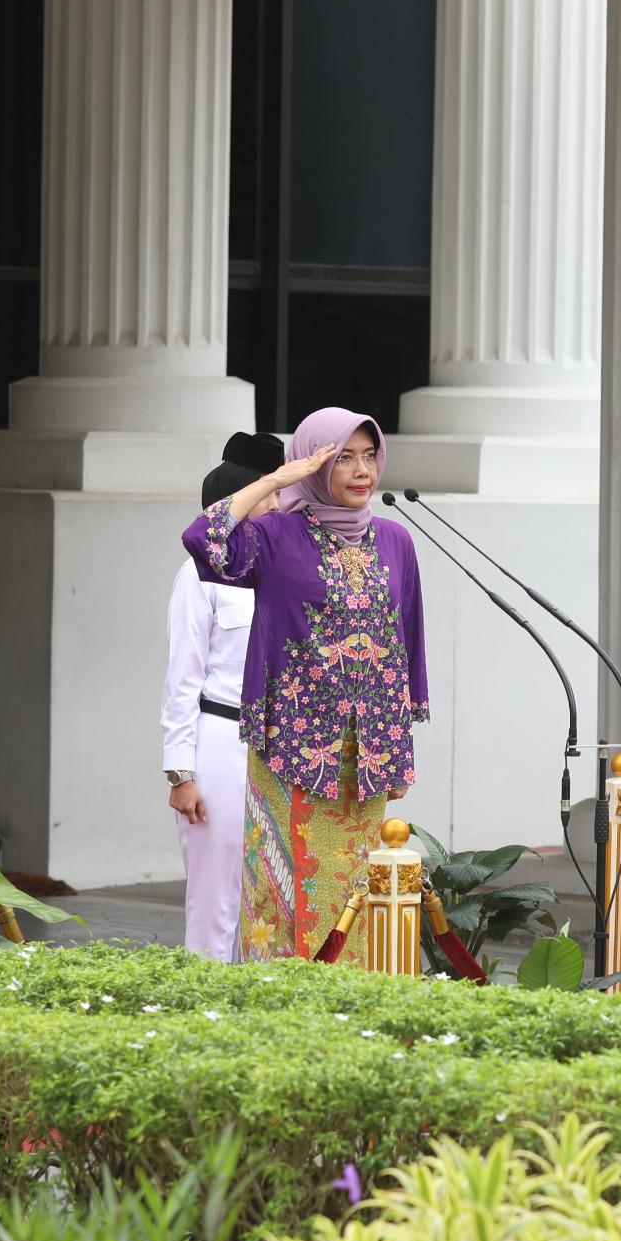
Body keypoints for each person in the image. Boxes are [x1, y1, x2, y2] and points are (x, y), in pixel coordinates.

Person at [183, 410, 427, 963]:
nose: (361, 470)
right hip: (290, 745)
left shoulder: (395, 540)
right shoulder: (276, 534)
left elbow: (404, 638)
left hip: (364, 756)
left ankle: (352, 1010)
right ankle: (284, 1011)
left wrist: (397, 748)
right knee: (286, 889)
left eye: (369, 455)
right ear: (312, 461)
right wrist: (274, 481)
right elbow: (203, 539)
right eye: (343, 456)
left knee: (356, 887)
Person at [162, 431, 280, 960]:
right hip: (219, 740)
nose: (278, 504)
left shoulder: (285, 570)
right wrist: (181, 774)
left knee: (274, 889)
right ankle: (203, 1007)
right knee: (216, 894)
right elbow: (183, 677)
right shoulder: (199, 575)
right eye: (267, 494)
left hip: (281, 745)